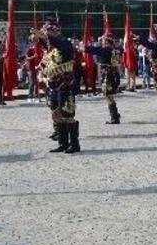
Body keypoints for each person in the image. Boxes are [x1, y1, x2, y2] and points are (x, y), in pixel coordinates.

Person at [35, 20, 80, 153]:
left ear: (56, 31)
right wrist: (38, 36)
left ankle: (75, 144)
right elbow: (44, 45)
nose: (47, 34)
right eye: (47, 31)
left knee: (67, 113)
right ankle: (63, 143)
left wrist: (44, 36)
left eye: (49, 31)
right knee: (56, 112)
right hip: (54, 85)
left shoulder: (65, 43)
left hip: (66, 84)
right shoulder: (51, 48)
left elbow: (57, 44)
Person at [83, 32, 122, 124]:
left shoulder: (106, 50)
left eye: (104, 40)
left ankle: (115, 116)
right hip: (114, 74)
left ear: (107, 41)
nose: (102, 42)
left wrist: (85, 47)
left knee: (108, 95)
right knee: (109, 95)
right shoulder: (115, 50)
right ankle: (115, 115)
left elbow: (93, 50)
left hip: (108, 75)